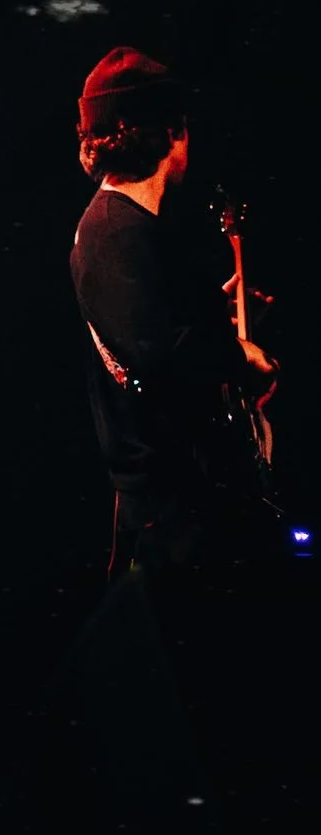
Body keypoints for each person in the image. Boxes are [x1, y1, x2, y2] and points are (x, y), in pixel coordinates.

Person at [69, 45, 279, 570]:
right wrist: (242, 355)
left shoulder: (129, 231)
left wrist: (213, 311)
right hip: (177, 517)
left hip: (187, 506)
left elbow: (157, 332)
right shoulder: (116, 231)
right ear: (169, 132)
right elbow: (165, 361)